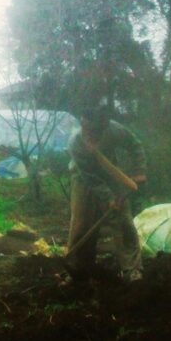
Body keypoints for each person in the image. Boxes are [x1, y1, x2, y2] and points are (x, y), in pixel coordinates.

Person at [65, 105, 146, 283]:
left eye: (98, 131)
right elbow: (90, 178)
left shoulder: (114, 130)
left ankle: (132, 269)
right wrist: (109, 198)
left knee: (123, 221)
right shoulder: (76, 142)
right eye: (90, 131)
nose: (94, 135)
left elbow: (135, 144)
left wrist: (139, 170)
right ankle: (78, 267)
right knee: (82, 222)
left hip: (112, 174)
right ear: (84, 125)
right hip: (83, 177)